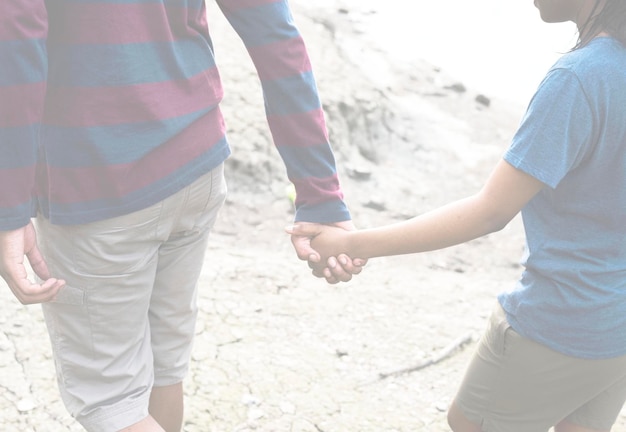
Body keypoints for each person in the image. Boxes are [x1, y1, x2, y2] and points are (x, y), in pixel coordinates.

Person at [0, 1, 363, 431]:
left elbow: (15, 41)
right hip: (196, 162)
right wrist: (319, 192)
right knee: (161, 365)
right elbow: (274, 32)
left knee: (112, 402)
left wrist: (9, 207)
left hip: (99, 184)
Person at [289, 0, 626, 430]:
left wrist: (352, 244)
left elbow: (490, 211)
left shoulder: (578, 80)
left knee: (470, 422)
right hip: (617, 330)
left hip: (562, 320)